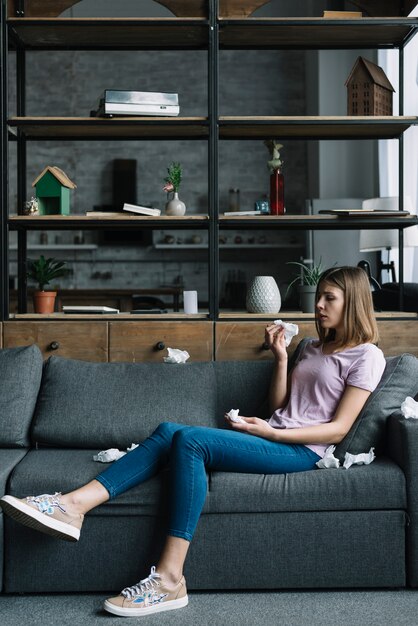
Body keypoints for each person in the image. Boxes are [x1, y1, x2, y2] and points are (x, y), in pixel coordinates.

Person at [0, 266, 386, 618]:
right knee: (170, 429)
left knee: (190, 441)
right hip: (277, 433)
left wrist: (272, 432)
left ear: (352, 302)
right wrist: (281, 358)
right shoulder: (314, 347)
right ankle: (72, 504)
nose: (318, 304)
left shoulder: (366, 355)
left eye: (329, 298)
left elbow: (337, 429)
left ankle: (169, 580)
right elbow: (281, 405)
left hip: (300, 450)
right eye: (319, 295)